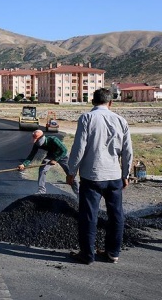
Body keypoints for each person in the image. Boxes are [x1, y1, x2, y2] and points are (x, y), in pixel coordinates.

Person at [66, 88, 133, 265]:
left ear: (93, 102)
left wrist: (71, 171)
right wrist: (125, 174)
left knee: (89, 216)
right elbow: (128, 152)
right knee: (116, 215)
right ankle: (113, 253)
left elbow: (79, 147)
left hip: (92, 175)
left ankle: (87, 255)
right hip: (114, 176)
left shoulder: (87, 118)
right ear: (110, 102)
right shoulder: (121, 121)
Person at [18, 129, 79, 195]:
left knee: (70, 173)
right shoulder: (36, 144)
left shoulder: (53, 139)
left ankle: (78, 193)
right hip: (51, 156)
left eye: (37, 140)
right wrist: (24, 164)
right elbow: (31, 155)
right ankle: (41, 191)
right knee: (42, 170)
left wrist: (55, 159)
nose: (36, 143)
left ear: (42, 138)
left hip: (63, 156)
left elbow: (64, 150)